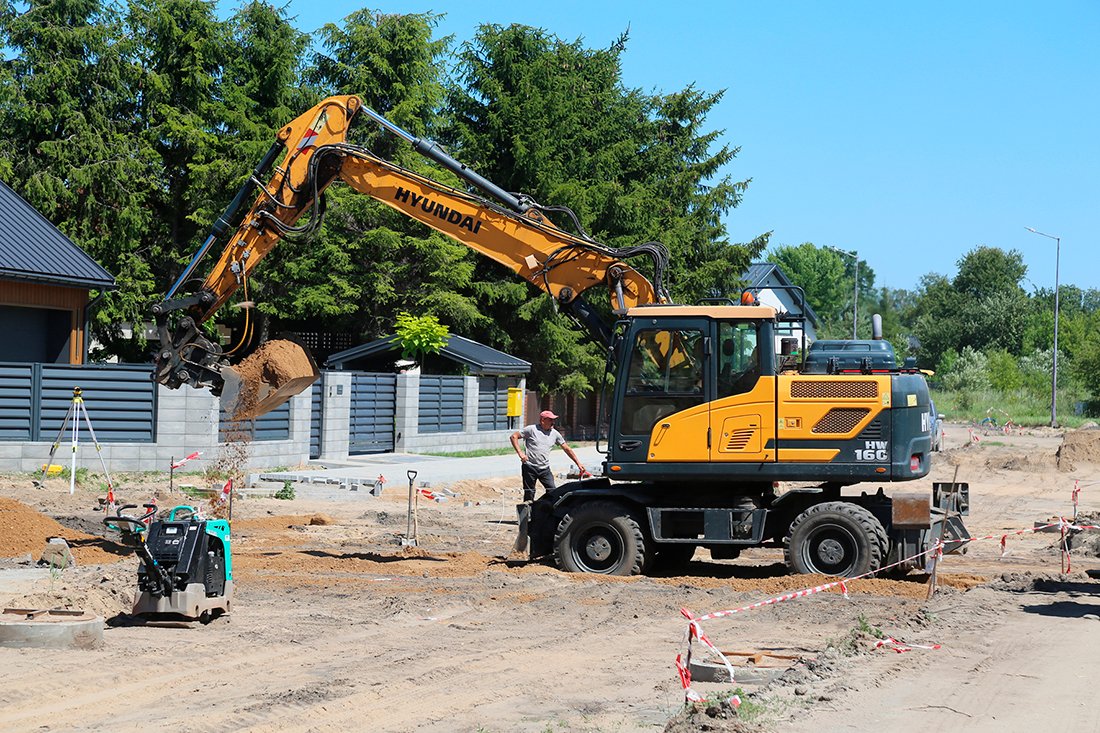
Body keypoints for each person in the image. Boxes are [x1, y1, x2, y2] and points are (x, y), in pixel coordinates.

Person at [510, 410, 586, 502]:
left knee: (553, 491)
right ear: (542, 420)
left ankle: (546, 511)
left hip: (544, 469)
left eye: (553, 420)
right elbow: (514, 436)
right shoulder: (531, 429)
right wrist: (520, 453)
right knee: (529, 493)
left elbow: (567, 449)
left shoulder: (555, 434)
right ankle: (527, 514)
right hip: (529, 467)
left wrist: (578, 463)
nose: (553, 422)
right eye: (550, 420)